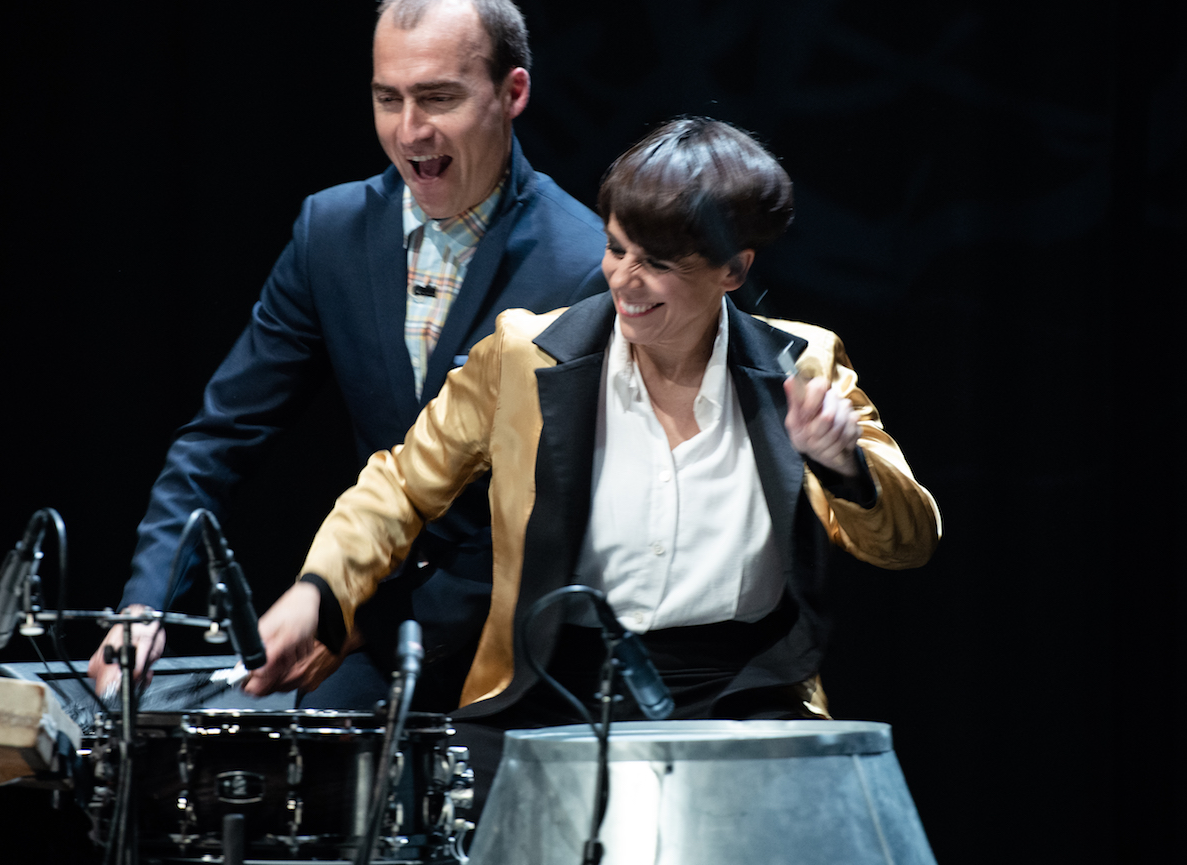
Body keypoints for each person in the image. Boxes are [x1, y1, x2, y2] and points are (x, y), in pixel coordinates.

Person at [245, 117, 941, 808]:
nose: (626, 282)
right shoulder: (524, 356)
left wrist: (841, 463)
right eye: (616, 249)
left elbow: (908, 543)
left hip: (742, 690)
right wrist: (316, 591)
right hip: (554, 684)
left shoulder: (805, 364)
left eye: (658, 263)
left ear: (734, 269)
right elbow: (399, 486)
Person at [87, 0, 607, 708]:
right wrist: (145, 605)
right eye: (387, 98)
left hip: (524, 650)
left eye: (439, 98)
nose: (408, 130)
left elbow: (560, 528)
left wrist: (353, 619)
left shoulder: (582, 266)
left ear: (513, 93)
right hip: (373, 618)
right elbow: (223, 436)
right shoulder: (328, 234)